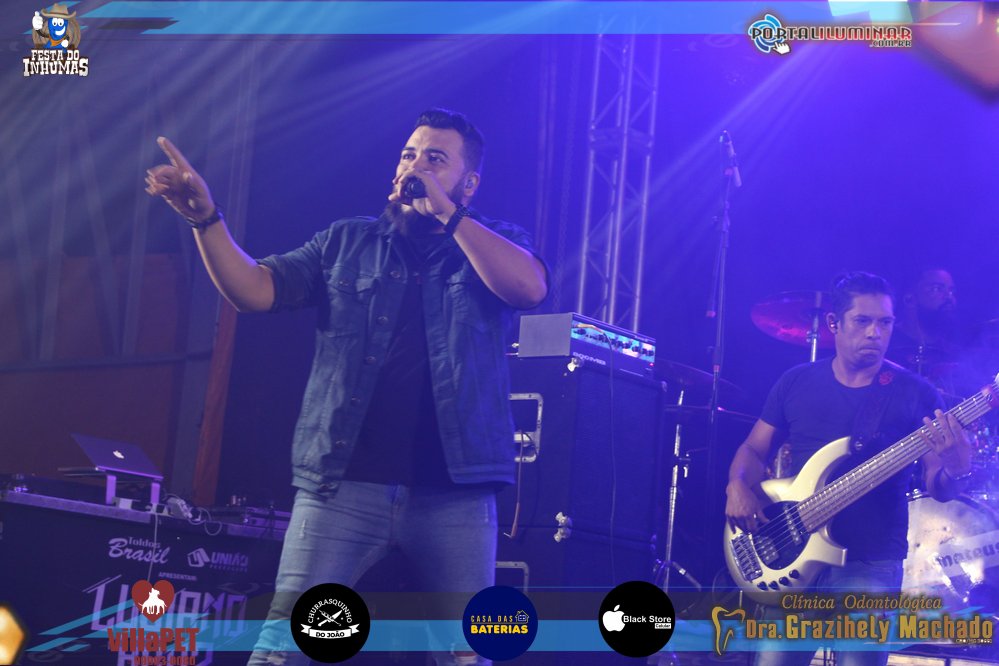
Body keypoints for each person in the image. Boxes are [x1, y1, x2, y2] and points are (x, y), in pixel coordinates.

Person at [145, 108, 548, 666]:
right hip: (342, 485)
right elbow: (255, 289)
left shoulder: (492, 242)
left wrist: (448, 213)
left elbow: (529, 288)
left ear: (468, 183)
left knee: (468, 654)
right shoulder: (346, 241)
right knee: (282, 648)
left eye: (435, 159)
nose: (415, 167)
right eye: (409, 154)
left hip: (455, 492)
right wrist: (206, 220)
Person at [725, 271, 974, 666]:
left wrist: (956, 470)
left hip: (869, 559)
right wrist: (737, 485)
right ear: (834, 323)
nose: (875, 332)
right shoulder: (796, 382)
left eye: (885, 322)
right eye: (863, 321)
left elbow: (937, 485)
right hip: (790, 550)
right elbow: (754, 450)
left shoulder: (916, 394)